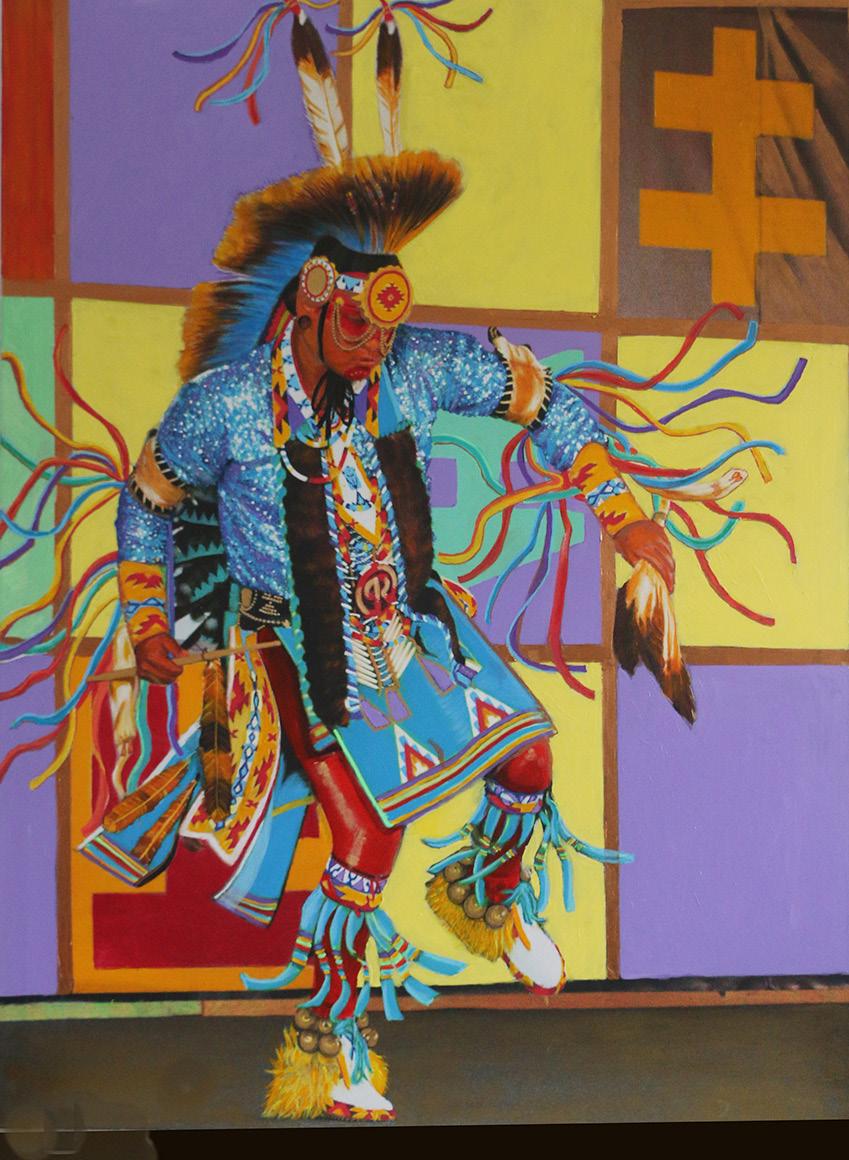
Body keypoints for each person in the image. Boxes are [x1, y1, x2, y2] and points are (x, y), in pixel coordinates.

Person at [99, 146, 674, 1121]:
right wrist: (148, 614)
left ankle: (485, 897)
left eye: (386, 327)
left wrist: (620, 508)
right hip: (292, 642)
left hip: (409, 616)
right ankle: (329, 1043)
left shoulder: (417, 364)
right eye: (355, 327)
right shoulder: (226, 407)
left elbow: (542, 398)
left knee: (530, 760)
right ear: (309, 306)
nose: (373, 347)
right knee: (366, 837)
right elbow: (146, 502)